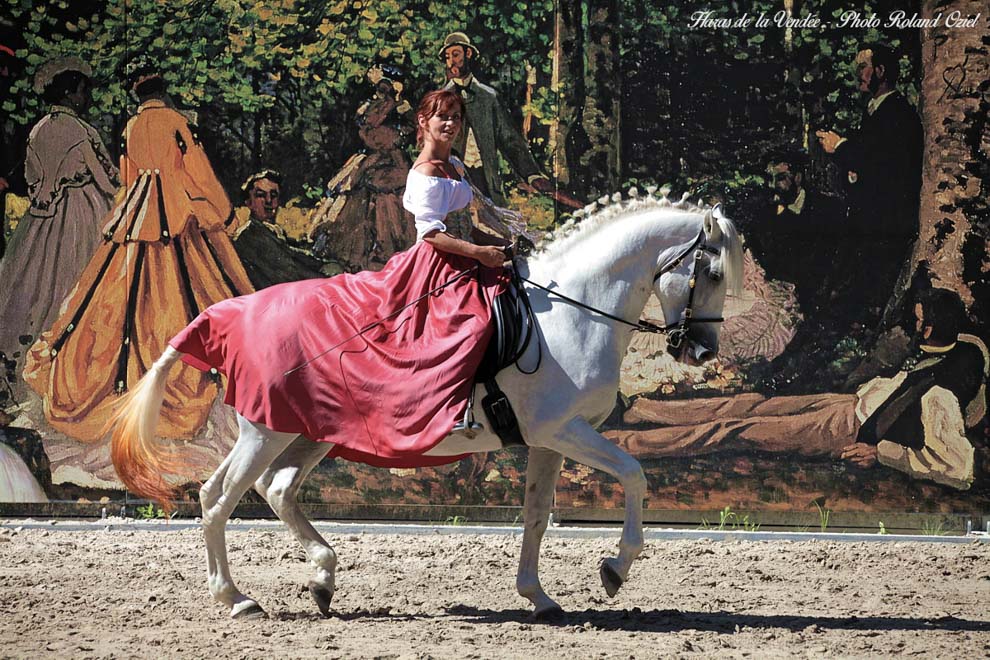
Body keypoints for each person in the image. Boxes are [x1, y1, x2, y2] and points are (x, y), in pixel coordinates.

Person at [166, 89, 509, 468]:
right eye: (442, 116)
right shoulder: (423, 173)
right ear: (423, 123)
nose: (451, 123)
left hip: (465, 260)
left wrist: (501, 244)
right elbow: (431, 234)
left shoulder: (455, 167)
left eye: (456, 116)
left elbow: (472, 218)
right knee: (464, 330)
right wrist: (478, 253)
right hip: (434, 266)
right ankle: (453, 413)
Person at [22, 72, 254, 441]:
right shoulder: (176, 121)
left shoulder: (131, 126)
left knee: (116, 302)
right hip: (176, 217)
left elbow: (128, 178)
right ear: (163, 90)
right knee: (191, 294)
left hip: (137, 214)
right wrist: (224, 213)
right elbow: (198, 172)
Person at [606, 288, 987, 490]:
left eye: (918, 321)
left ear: (931, 328)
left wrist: (881, 453)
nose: (912, 327)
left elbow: (958, 467)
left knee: (735, 430)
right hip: (849, 405)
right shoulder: (952, 348)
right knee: (750, 403)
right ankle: (640, 410)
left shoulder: (942, 396)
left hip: (849, 430)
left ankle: (625, 445)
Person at [0, 57, 117, 380]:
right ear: (69, 93)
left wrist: (48, 190)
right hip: (82, 213)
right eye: (81, 91)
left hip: (41, 220)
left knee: (33, 283)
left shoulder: (38, 130)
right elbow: (107, 179)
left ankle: (24, 358)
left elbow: (32, 176)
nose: (85, 98)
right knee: (76, 280)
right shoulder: (81, 130)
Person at [815, 44, 923, 313]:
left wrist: (840, 147)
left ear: (881, 70)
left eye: (863, 67)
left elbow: (882, 163)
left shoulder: (897, 112)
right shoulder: (875, 111)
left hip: (888, 224)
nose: (858, 74)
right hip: (872, 221)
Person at [308, 65, 417, 271]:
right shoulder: (370, 106)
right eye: (378, 87)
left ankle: (389, 255)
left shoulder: (398, 105)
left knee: (391, 209)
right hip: (372, 160)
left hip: (392, 164)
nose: (380, 90)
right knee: (358, 205)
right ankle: (365, 258)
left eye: (383, 86)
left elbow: (408, 126)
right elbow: (366, 127)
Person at [439, 31, 553, 206]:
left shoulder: (489, 97)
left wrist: (532, 174)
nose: (451, 61)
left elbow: (509, 140)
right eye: (447, 57)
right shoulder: (441, 100)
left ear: (468, 54)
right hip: (453, 183)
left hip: (487, 182)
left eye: (456, 54)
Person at [230, 169, 326, 289]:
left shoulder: (270, 229)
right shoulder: (249, 235)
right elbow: (291, 272)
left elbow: (291, 253)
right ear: (248, 202)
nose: (269, 201)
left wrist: (322, 263)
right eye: (261, 195)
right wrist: (329, 278)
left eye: (274, 195)